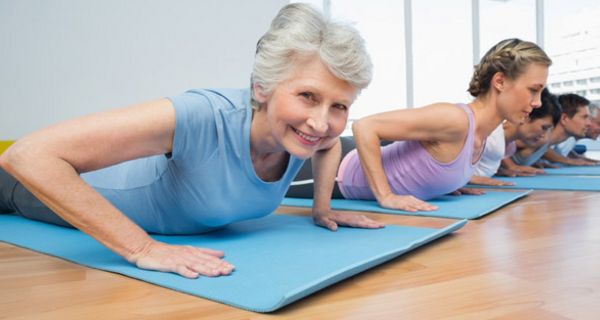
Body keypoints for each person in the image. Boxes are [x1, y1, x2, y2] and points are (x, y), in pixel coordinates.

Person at [0, 3, 381, 279]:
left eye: (339, 106)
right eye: (307, 96)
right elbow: (30, 156)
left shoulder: (303, 136)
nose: (322, 122)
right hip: (25, 188)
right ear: (261, 87)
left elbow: (330, 144)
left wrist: (322, 209)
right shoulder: (202, 116)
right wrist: (142, 248)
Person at [287, 38, 551, 212]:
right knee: (263, 194)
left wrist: (447, 182)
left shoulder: (482, 133)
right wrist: (385, 195)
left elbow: (429, 163)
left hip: (347, 167)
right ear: (500, 82)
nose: (537, 102)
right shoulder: (455, 119)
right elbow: (365, 126)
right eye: (533, 90)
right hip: (338, 172)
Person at [469, 88, 562, 186]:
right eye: (544, 127)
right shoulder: (491, 138)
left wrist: (497, 170)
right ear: (526, 116)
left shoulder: (509, 147)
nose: (544, 135)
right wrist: (468, 179)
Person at [513, 93, 594, 167]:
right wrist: (511, 167)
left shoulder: (545, 142)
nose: (589, 124)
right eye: (584, 117)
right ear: (564, 119)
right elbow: (503, 142)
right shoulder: (538, 137)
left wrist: (533, 162)